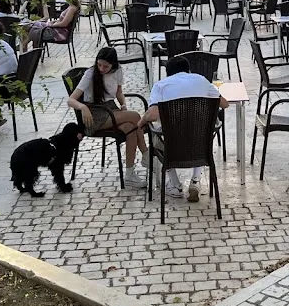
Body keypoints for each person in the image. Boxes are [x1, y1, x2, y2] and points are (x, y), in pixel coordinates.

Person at [142, 55, 229, 202]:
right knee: (203, 128)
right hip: (200, 144)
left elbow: (153, 113)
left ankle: (175, 185)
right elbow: (224, 104)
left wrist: (141, 121)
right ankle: (195, 181)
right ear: (188, 70)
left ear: (168, 73)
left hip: (173, 144)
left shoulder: (161, 85)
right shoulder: (201, 79)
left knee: (157, 135)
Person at [67, 47, 148, 187]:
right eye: (99, 65)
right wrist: (83, 107)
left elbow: (119, 92)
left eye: (106, 66)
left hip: (111, 109)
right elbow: (71, 100)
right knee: (135, 116)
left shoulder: (117, 71)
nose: (101, 69)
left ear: (113, 65)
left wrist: (123, 104)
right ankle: (146, 153)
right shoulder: (90, 73)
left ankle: (129, 173)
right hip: (94, 114)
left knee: (131, 127)